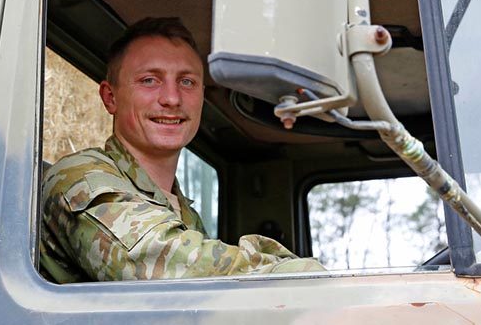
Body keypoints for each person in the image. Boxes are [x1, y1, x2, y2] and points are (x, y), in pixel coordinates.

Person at [40, 17, 324, 283]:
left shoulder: (185, 214)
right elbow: (161, 267)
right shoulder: (79, 178)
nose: (172, 98)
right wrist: (307, 277)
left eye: (187, 82)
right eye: (149, 80)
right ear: (110, 97)